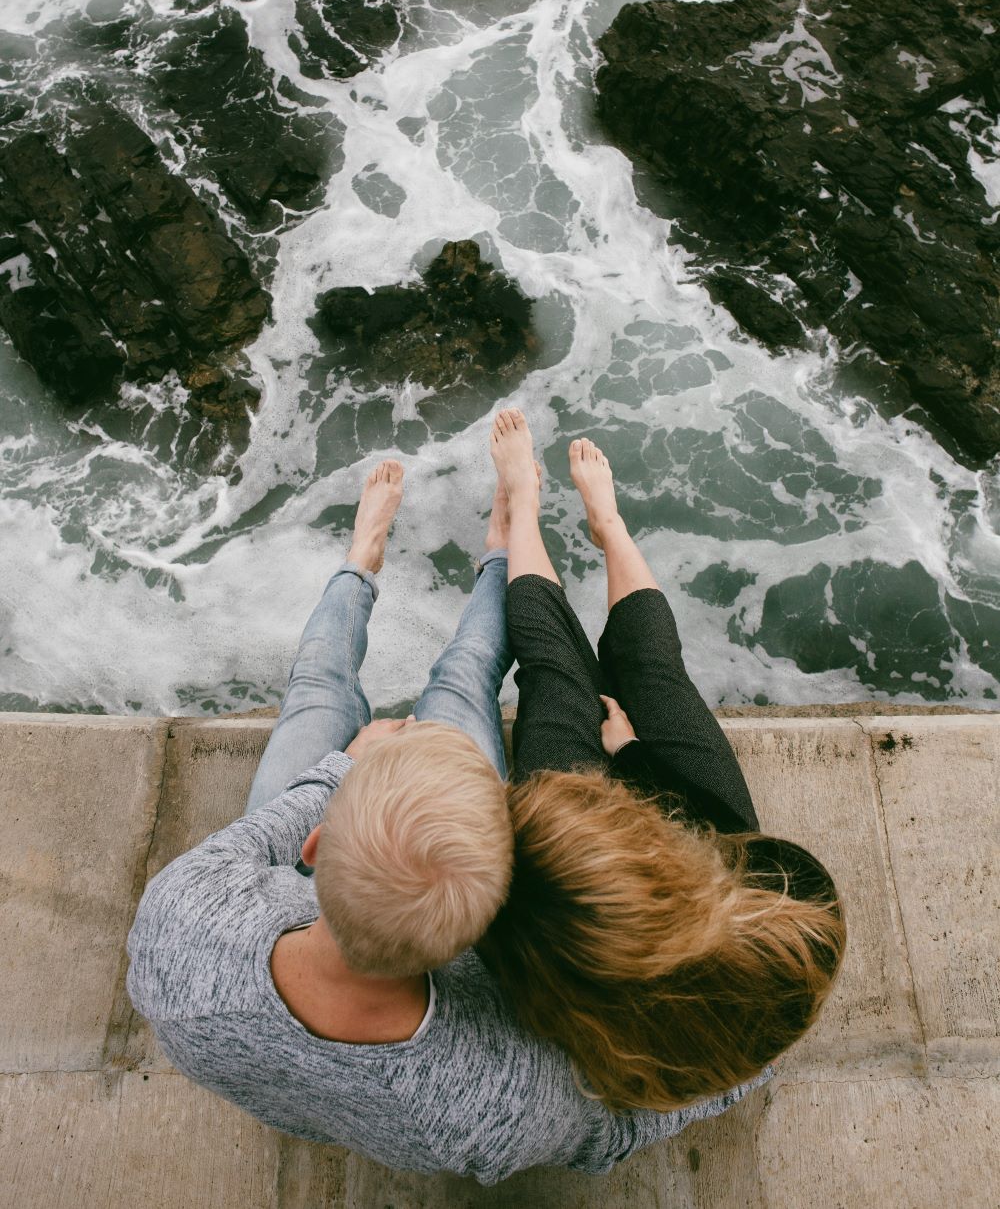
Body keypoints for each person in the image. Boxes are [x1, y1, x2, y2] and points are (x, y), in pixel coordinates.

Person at [126, 457, 760, 1186]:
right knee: (462, 677)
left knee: (316, 694)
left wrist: (342, 771)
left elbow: (246, 845)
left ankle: (364, 558)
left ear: (317, 840)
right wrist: (749, 1060)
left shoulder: (180, 923)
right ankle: (497, 548)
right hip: (390, 906)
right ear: (488, 928)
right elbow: (612, 1128)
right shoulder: (501, 1095)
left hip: (307, 887)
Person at [479, 408, 847, 1113]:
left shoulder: (553, 949)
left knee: (556, 675)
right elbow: (711, 830)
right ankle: (607, 526)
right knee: (654, 670)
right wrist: (636, 756)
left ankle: (523, 506)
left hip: (601, 898)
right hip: (719, 840)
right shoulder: (788, 917)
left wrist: (610, 768)